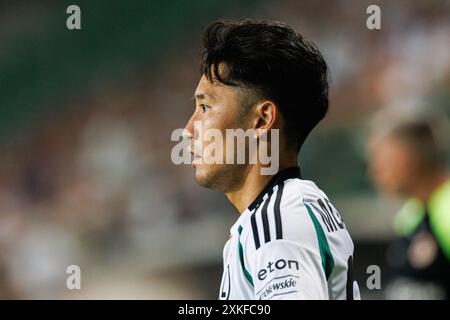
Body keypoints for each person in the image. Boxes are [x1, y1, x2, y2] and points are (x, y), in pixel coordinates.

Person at [183, 19, 360, 300]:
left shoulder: (278, 221)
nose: (189, 129)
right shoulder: (281, 212)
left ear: (262, 119)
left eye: (205, 107)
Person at [368, 116, 450, 299]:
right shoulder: (410, 216)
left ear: (407, 157)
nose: (373, 170)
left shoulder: (447, 210)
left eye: (379, 158)